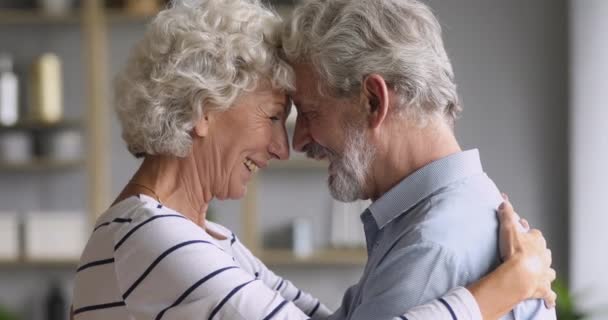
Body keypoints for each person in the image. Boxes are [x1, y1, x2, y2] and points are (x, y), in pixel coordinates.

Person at [71, 0, 555, 319]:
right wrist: (504, 288)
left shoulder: (203, 238)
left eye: (303, 114)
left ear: (373, 101)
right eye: (273, 117)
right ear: (203, 110)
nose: (287, 147)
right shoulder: (153, 238)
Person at [281, 0, 557, 319]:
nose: (299, 140)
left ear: (373, 101)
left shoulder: (429, 247)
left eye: (309, 112)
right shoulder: (450, 215)